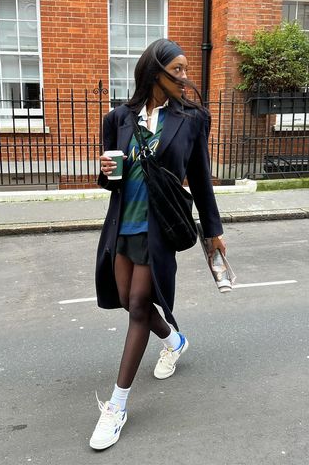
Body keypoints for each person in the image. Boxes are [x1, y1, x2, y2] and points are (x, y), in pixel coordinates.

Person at [90, 38, 226, 450]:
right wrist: (105, 170)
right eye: (178, 70)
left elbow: (200, 178)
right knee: (128, 298)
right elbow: (112, 182)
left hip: (159, 228)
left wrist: (213, 232)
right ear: (154, 72)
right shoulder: (119, 117)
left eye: (186, 69)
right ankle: (173, 340)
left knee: (136, 307)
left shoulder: (191, 119)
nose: (186, 78)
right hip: (122, 226)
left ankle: (116, 406)